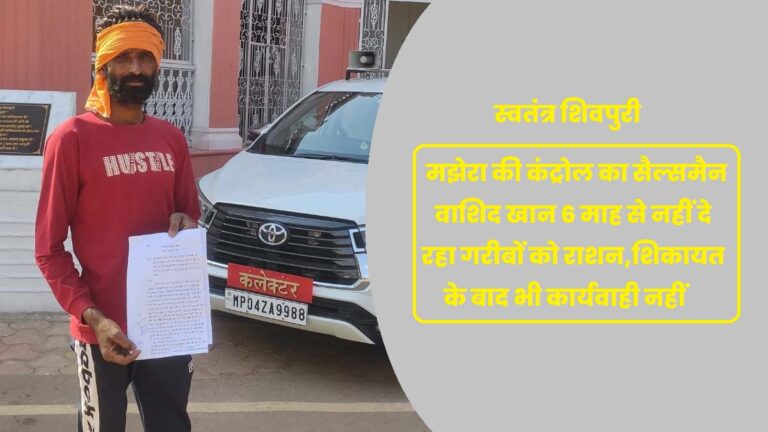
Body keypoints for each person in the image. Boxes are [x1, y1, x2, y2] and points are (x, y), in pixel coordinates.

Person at [34, 5, 200, 432]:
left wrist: (185, 222)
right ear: (103, 63)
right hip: (99, 331)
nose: (136, 68)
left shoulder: (171, 139)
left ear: (157, 64)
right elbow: (49, 250)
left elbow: (190, 218)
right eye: (124, 57)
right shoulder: (71, 139)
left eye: (145, 57)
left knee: (171, 425)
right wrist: (93, 317)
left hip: (167, 327)